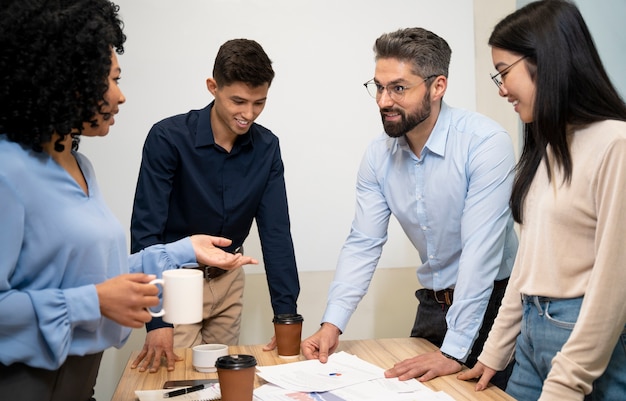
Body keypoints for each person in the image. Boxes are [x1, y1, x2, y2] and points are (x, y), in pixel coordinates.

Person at [0, 1, 257, 400]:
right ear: (66, 79)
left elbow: (102, 273)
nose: (120, 96)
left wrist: (184, 250)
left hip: (80, 381)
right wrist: (94, 302)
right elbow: (91, 293)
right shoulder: (7, 172)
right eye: (111, 79)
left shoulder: (78, 164)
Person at [301, 27, 518, 388]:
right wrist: (332, 324)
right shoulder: (377, 155)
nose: (384, 100)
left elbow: (481, 255)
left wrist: (453, 352)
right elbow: (363, 243)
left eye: (398, 88)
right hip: (433, 307)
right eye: (378, 87)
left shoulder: (485, 143)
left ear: (438, 87)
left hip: (495, 306)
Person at [457, 1, 626, 400]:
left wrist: (568, 380)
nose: (501, 89)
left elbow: (614, 285)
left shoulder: (615, 144)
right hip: (531, 335)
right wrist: (496, 349)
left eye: (504, 73)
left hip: (583, 341)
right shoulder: (546, 147)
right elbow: (528, 264)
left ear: (546, 60)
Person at [130, 38, 300, 372]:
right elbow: (146, 232)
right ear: (213, 87)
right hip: (177, 283)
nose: (248, 114)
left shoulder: (267, 147)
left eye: (259, 103)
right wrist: (158, 322)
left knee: (223, 384)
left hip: (229, 282)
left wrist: (286, 316)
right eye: (238, 101)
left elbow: (276, 232)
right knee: (177, 380)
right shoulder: (167, 139)